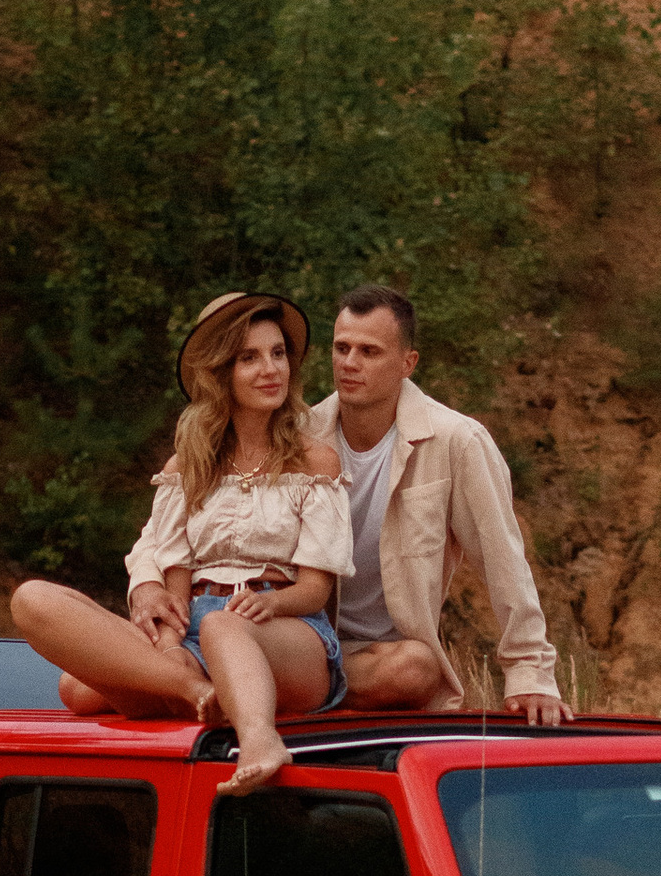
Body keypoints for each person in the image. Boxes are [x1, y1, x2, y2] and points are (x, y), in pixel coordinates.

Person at [124, 285, 567, 728]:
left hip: (369, 656)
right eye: (341, 348)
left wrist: (529, 672)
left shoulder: (457, 442)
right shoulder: (295, 432)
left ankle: (231, 686)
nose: (350, 363)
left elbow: (502, 558)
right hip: (279, 636)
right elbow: (161, 532)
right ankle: (235, 683)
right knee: (87, 684)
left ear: (407, 364)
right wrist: (146, 584)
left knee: (415, 668)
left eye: (369, 352)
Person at [10, 290, 351, 794]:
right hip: (198, 629)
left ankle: (260, 740)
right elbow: (175, 586)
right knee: (49, 634)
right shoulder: (186, 469)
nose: (270, 369)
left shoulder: (314, 461)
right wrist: (170, 647)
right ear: (221, 373)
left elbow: (316, 591)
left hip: (286, 629)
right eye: (249, 358)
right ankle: (197, 691)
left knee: (219, 627)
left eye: (278, 354)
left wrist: (271, 602)